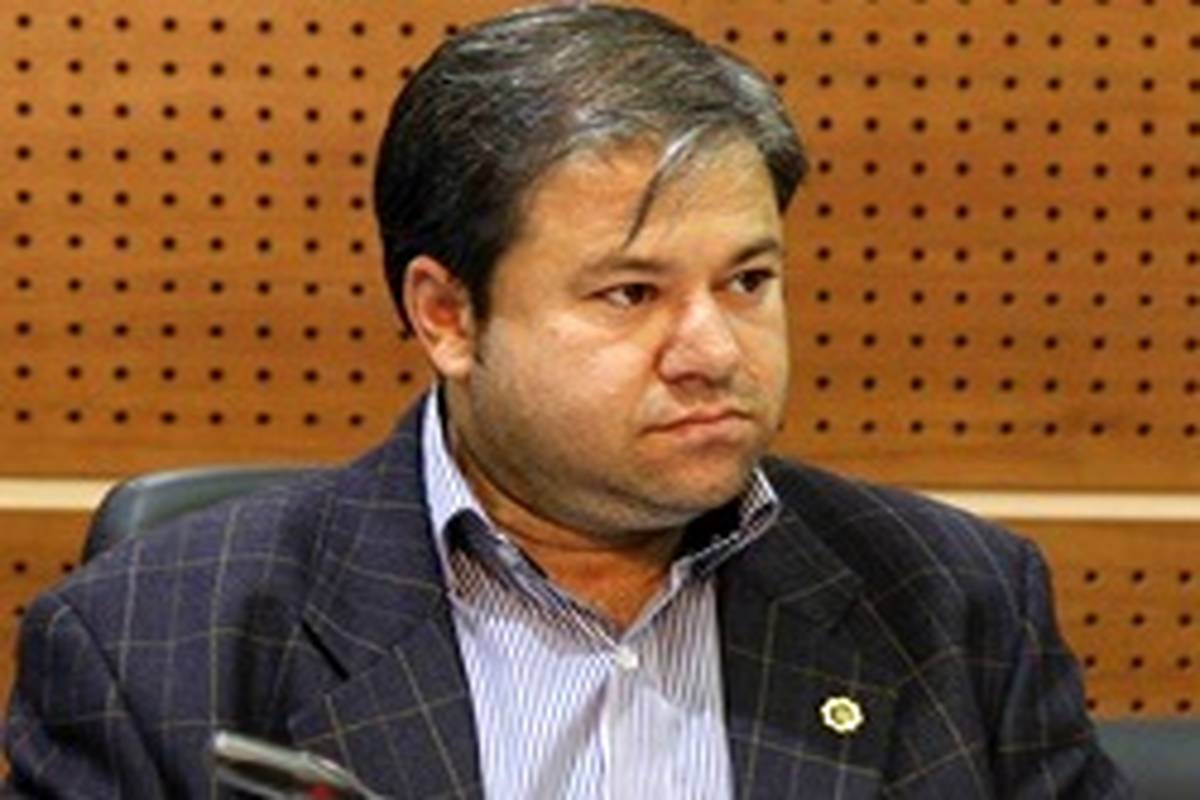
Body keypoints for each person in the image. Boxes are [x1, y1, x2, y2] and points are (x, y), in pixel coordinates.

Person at [3, 4, 1129, 798]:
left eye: (747, 281)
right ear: (448, 316)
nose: (712, 350)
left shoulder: (953, 603)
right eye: (631, 293)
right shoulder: (152, 647)